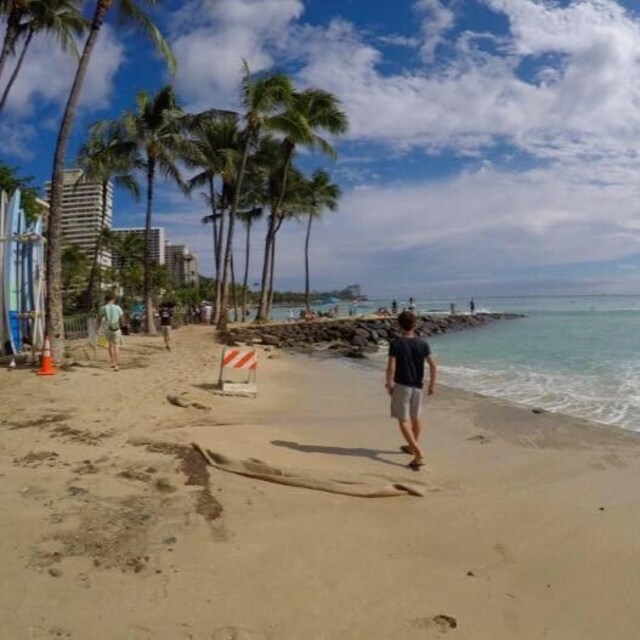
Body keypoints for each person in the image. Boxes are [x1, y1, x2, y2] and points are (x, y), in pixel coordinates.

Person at [385, 311, 437, 470]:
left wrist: (388, 384)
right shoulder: (422, 343)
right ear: (415, 325)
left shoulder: (396, 343)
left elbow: (391, 367)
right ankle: (412, 446)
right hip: (417, 386)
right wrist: (432, 384)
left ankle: (418, 453)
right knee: (415, 417)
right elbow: (433, 365)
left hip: (402, 385)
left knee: (403, 420)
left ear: (399, 325)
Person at [100, 292, 124, 371]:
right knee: (116, 346)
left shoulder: (103, 308)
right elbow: (121, 318)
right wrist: (123, 324)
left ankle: (113, 362)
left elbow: (100, 318)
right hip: (116, 328)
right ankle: (117, 365)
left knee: (110, 345)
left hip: (107, 328)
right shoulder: (117, 307)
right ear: (113, 299)